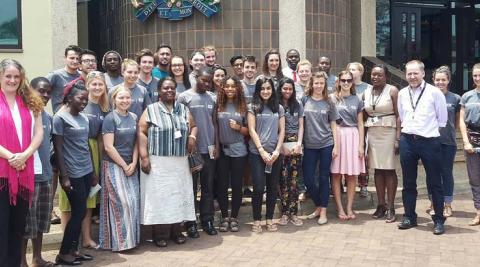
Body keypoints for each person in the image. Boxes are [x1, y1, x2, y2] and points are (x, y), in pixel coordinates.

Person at [138, 77, 196, 247]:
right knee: (159, 197)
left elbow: (194, 126)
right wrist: (144, 157)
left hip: (179, 162)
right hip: (158, 163)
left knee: (177, 197)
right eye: (166, 88)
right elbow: (141, 133)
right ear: (159, 91)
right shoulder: (151, 110)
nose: (170, 91)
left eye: (172, 88)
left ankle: (176, 231)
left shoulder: (183, 109)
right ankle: (159, 234)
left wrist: (192, 136)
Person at [0, 59, 44, 267]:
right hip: (2, 175)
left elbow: (39, 133)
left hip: (23, 173)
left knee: (17, 227)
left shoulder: (30, 100)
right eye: (8, 76)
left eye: (16, 76)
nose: (12, 80)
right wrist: (11, 157)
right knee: (1, 227)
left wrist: (25, 155)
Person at [397, 60, 447, 235]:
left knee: (435, 182)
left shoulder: (435, 93)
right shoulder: (403, 93)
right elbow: (402, 116)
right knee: (408, 182)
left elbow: (442, 119)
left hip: (429, 141)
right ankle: (409, 216)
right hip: (407, 141)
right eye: (409, 74)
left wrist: (427, 132)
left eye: (415, 73)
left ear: (423, 74)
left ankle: (439, 220)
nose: (412, 77)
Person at [53, 83, 95, 265]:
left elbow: (86, 146)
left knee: (82, 211)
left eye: (86, 98)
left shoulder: (84, 118)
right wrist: (64, 176)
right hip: (72, 173)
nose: (84, 102)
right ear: (69, 98)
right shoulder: (60, 118)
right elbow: (59, 150)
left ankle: (74, 250)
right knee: (77, 212)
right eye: (80, 98)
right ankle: (63, 253)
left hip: (86, 170)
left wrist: (93, 171)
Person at [178, 67, 219, 237]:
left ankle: (207, 220)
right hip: (191, 151)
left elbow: (215, 123)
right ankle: (190, 223)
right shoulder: (184, 97)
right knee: (191, 188)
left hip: (208, 149)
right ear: (196, 77)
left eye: (210, 81)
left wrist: (217, 145)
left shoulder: (213, 97)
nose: (207, 84)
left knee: (208, 187)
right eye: (204, 80)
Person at [100, 86, 140, 251]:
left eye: (127, 98)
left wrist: (134, 162)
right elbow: (109, 147)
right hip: (114, 165)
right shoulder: (110, 119)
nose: (125, 101)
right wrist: (124, 165)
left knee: (133, 202)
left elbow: (137, 142)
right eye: (121, 98)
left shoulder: (134, 116)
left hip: (131, 165)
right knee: (122, 203)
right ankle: (120, 243)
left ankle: (132, 241)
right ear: (114, 100)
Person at [20, 77, 55, 267]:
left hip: (45, 176)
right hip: (26, 176)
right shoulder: (23, 114)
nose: (46, 95)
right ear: (31, 90)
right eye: (41, 91)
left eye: (49, 91)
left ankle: (37, 258)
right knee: (26, 221)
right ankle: (21, 261)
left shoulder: (47, 117)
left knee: (41, 220)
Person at [247, 77, 285, 233]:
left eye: (268, 88)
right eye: (262, 88)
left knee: (272, 187)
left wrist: (277, 150)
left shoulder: (279, 108)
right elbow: (251, 130)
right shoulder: (253, 106)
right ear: (258, 90)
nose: (266, 91)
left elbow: (282, 130)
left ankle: (269, 218)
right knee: (258, 186)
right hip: (257, 153)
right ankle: (257, 219)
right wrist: (261, 150)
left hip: (275, 154)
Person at [363, 65, 400, 223]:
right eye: (373, 74)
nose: (375, 77)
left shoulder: (392, 91)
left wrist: (398, 138)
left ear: (386, 76)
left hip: (389, 132)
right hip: (372, 133)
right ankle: (381, 205)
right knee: (377, 170)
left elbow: (399, 115)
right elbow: (364, 115)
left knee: (389, 170)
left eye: (379, 75)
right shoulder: (366, 91)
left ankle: (391, 207)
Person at [303, 71, 339, 225]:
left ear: (325, 85)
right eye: (316, 83)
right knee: (308, 179)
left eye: (321, 83)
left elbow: (333, 123)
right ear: (311, 84)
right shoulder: (304, 99)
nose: (318, 86)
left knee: (324, 177)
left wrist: (336, 145)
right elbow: (300, 122)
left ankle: (323, 210)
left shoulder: (329, 101)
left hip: (326, 143)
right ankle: (318, 205)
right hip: (309, 145)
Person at [330, 70, 365, 220]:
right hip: (337, 135)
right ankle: (339, 208)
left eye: (348, 80)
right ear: (338, 81)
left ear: (352, 82)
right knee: (336, 174)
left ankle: (350, 207)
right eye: (343, 80)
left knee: (351, 175)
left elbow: (361, 123)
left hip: (353, 136)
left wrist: (361, 145)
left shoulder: (357, 99)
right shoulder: (332, 98)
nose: (345, 83)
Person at [216, 76, 249, 232]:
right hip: (222, 150)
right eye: (227, 86)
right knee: (222, 185)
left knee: (236, 185)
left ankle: (234, 217)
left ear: (238, 88)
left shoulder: (242, 106)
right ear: (223, 88)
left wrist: (238, 128)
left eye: (233, 86)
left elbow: (249, 130)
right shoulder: (218, 105)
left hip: (238, 151)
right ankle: (224, 217)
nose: (230, 89)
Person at [429, 66, 460, 218]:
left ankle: (447, 204)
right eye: (437, 80)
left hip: (448, 142)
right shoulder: (428, 96)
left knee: (446, 173)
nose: (440, 82)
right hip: (429, 141)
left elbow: (458, 121)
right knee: (432, 173)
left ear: (448, 81)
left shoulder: (455, 98)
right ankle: (434, 202)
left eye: (443, 79)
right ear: (433, 80)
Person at [276, 77, 304, 226]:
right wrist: (281, 147)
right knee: (282, 180)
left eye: (290, 89)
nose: (287, 91)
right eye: (285, 88)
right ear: (280, 89)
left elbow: (301, 126)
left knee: (294, 180)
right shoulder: (275, 105)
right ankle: (284, 213)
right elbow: (274, 128)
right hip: (280, 145)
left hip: (295, 146)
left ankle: (293, 213)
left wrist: (299, 144)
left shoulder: (298, 104)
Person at [459, 63, 480, 226]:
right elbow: (461, 120)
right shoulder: (466, 96)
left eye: (479, 75)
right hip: (472, 140)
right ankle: (479, 211)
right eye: (475, 76)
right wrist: (465, 141)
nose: (478, 78)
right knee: (474, 179)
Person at [47, 45, 82, 113]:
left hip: (79, 117)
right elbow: (39, 90)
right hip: (61, 118)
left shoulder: (82, 76)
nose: (75, 61)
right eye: (72, 58)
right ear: (65, 58)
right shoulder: (55, 75)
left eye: (78, 59)